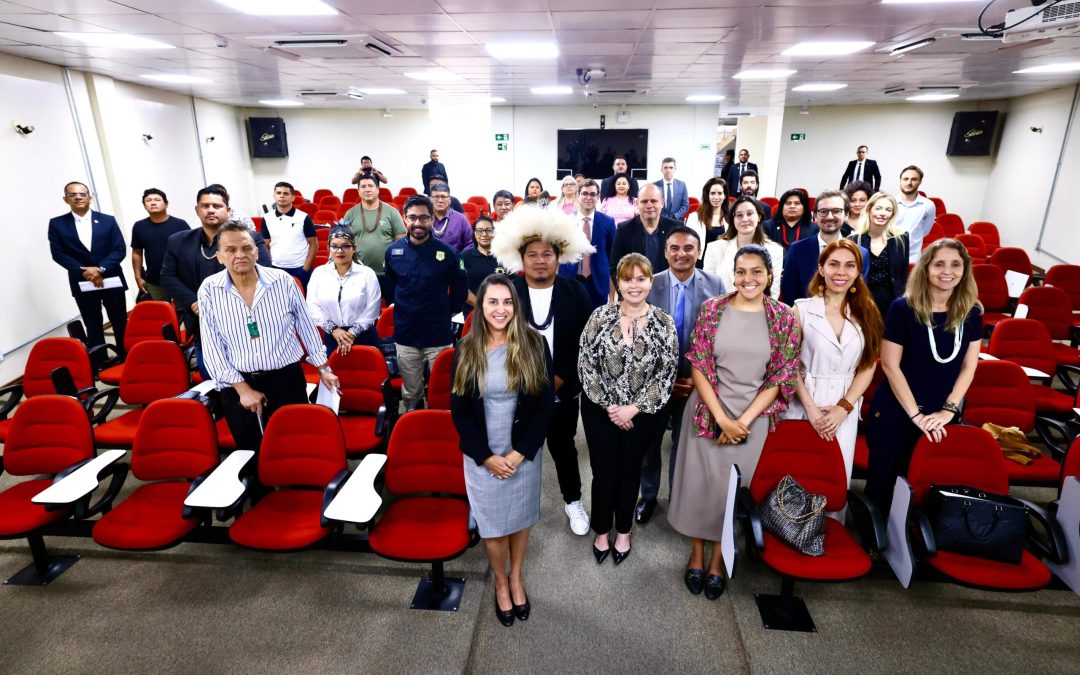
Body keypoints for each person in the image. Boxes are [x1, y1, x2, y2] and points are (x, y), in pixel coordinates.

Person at [669, 244, 798, 599]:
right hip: (707, 409)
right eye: (741, 271)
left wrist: (741, 421)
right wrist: (722, 419)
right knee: (700, 487)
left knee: (729, 493)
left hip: (752, 419)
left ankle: (718, 562)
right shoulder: (713, 309)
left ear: (770, 275)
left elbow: (781, 376)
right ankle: (697, 557)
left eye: (757, 271)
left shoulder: (784, 317)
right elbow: (698, 364)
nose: (748, 278)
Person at [450, 275, 555, 627]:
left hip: (522, 455)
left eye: (507, 302)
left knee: (521, 521)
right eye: (492, 302)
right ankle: (500, 581)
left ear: (515, 305)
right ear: (480, 307)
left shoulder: (535, 345)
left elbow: (543, 407)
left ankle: (516, 576)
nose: (500, 309)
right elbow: (460, 412)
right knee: (494, 527)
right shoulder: (465, 349)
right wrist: (486, 457)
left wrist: (519, 453)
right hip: (483, 456)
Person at [491, 206, 595, 536]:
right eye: (532, 254)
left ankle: (573, 501)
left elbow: (586, 342)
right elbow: (495, 338)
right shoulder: (508, 292)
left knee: (563, 447)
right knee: (519, 449)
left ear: (558, 257)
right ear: (521, 258)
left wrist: (559, 380)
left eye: (546, 254)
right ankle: (515, 506)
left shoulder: (575, 291)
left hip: (563, 388)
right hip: (516, 390)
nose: (539, 260)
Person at [198, 221, 340, 453]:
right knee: (251, 451)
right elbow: (212, 344)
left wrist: (324, 368)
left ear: (257, 250)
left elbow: (306, 326)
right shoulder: (209, 289)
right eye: (231, 250)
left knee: (295, 444)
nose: (240, 255)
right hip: (238, 383)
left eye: (246, 248)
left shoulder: (282, 281)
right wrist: (243, 389)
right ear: (219, 256)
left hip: (285, 380)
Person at [865, 238, 983, 511]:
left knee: (928, 484)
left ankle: (914, 544)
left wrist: (948, 410)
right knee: (883, 483)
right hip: (897, 409)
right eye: (939, 263)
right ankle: (875, 544)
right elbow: (890, 366)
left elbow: (969, 366)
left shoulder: (972, 312)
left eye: (956, 265)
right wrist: (915, 415)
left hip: (942, 412)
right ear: (926, 268)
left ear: (965, 270)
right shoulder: (902, 308)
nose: (947, 271)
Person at [579, 253, 678, 566]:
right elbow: (586, 364)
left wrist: (633, 409)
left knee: (629, 471)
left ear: (650, 282)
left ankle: (623, 531)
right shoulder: (600, 316)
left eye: (641, 278)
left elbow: (667, 372)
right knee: (603, 472)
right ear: (617, 282)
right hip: (599, 411)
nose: (634, 285)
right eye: (627, 279)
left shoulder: (664, 322)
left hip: (643, 414)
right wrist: (611, 406)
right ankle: (602, 530)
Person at [636, 227, 723, 524]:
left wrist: (696, 378)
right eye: (674, 248)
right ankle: (648, 495)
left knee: (684, 446)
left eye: (688, 248)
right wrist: (663, 380)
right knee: (649, 443)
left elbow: (719, 338)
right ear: (665, 252)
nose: (681, 253)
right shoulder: (650, 285)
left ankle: (678, 497)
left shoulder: (715, 284)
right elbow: (638, 339)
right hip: (655, 383)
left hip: (696, 383)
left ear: (698, 252)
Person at [784, 240, 883, 494]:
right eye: (834, 264)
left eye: (850, 266)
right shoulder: (801, 309)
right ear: (821, 268)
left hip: (844, 406)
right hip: (804, 402)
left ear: (858, 272)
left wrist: (843, 408)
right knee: (797, 480)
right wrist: (813, 411)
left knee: (832, 482)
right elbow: (789, 364)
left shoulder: (867, 310)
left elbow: (868, 365)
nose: (841, 272)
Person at [160, 186, 273, 367]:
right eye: (205, 206)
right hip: (202, 322)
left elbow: (264, 270)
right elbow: (168, 276)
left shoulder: (249, 239)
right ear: (197, 210)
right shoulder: (178, 241)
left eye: (217, 206)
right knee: (214, 379)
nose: (211, 210)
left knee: (253, 375)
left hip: (244, 320)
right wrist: (194, 302)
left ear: (228, 211)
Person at [384, 194, 468, 409]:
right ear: (404, 219)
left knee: (442, 390)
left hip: (438, 333)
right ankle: (415, 425)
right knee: (412, 393)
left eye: (423, 218)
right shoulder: (393, 252)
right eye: (412, 218)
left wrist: (447, 311)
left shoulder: (447, 253)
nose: (418, 223)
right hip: (406, 334)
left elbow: (459, 289)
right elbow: (392, 288)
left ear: (432, 219)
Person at [47, 181, 129, 353]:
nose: (78, 197)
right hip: (82, 281)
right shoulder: (57, 224)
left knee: (120, 321)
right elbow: (58, 253)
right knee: (92, 323)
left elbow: (119, 248)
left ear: (90, 198)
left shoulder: (108, 220)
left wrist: (100, 269)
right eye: (72, 194)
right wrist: (84, 271)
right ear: (65, 199)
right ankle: (101, 362)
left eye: (82, 194)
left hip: (111, 279)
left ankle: (126, 356)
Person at [779, 190, 870, 306]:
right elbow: (789, 294)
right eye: (823, 212)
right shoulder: (797, 249)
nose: (829, 217)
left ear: (846, 214)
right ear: (815, 216)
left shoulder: (861, 253)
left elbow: (858, 296)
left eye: (836, 211)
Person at [305, 227, 381, 358]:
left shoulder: (367, 274)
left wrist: (351, 334)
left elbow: (372, 309)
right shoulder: (319, 273)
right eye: (334, 246)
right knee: (335, 377)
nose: (340, 251)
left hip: (364, 336)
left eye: (345, 246)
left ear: (354, 248)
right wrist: (334, 330)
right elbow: (312, 306)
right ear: (329, 248)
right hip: (332, 336)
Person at [701, 196, 783, 298]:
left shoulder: (775, 251)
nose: (744, 219)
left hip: (759, 311)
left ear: (759, 217)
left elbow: (772, 293)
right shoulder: (714, 248)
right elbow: (708, 289)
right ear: (733, 220)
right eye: (739, 215)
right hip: (721, 310)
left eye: (749, 214)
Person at [342, 173, 406, 301]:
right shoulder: (350, 213)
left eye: (371, 186)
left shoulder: (391, 212)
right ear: (358, 191)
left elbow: (403, 241)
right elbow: (343, 242)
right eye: (363, 186)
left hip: (388, 273)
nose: (367, 189)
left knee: (393, 308)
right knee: (361, 311)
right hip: (359, 273)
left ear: (378, 189)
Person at [558, 179, 616, 309]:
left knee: (596, 323)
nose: (588, 197)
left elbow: (612, 255)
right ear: (578, 196)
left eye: (592, 194)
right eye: (584, 193)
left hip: (597, 283)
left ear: (598, 197)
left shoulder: (608, 222)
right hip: (571, 280)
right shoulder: (565, 221)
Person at [850, 191, 910, 317]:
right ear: (869, 210)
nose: (883, 213)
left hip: (892, 302)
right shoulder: (854, 240)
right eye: (878, 208)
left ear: (892, 214)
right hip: (862, 301)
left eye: (888, 209)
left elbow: (903, 274)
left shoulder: (901, 239)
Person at [130, 188, 189, 301]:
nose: (153, 202)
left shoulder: (180, 224)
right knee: (162, 314)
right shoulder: (139, 226)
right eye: (148, 200)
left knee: (186, 312)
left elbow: (191, 249)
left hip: (181, 278)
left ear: (166, 204)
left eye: (157, 199)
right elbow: (137, 252)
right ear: (144, 205)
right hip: (154, 280)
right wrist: (138, 276)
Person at [610, 183, 681, 277]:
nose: (649, 205)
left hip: (668, 289)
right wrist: (625, 290)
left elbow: (682, 263)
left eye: (654, 201)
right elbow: (615, 267)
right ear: (637, 204)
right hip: (635, 289)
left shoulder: (676, 228)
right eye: (644, 201)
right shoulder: (624, 229)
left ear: (662, 203)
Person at [260, 181, 317, 287]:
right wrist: (270, 268)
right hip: (276, 269)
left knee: (303, 301)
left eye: (286, 193)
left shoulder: (303, 217)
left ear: (293, 197)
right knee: (280, 301)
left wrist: (306, 268)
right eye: (278, 193)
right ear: (274, 196)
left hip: (300, 269)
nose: (281, 196)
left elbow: (314, 244)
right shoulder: (267, 218)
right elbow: (265, 245)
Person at [462, 216, 504, 315]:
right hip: (475, 311)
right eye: (480, 230)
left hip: (501, 311)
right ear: (475, 233)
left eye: (489, 230)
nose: (484, 234)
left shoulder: (504, 256)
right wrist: (483, 307)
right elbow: (462, 288)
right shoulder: (465, 256)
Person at [895, 165, 936, 264]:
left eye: (914, 179)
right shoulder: (890, 202)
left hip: (913, 259)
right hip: (890, 256)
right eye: (905, 179)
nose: (909, 182)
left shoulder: (928, 205)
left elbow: (924, 231)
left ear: (920, 181)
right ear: (900, 180)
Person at [763, 189, 817, 254]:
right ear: (781, 207)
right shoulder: (767, 226)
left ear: (804, 207)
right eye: (788, 203)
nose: (792, 206)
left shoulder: (814, 228)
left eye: (797, 203)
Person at [430, 181, 474, 253]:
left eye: (443, 197)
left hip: (455, 261)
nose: (440, 200)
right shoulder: (424, 218)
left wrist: (459, 258)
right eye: (436, 197)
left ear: (449, 200)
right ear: (431, 199)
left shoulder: (461, 219)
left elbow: (470, 243)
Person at [685, 178, 728, 248]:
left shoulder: (730, 219)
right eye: (713, 193)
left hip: (722, 258)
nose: (716, 197)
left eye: (720, 193)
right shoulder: (694, 218)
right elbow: (687, 244)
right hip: (700, 258)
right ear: (707, 195)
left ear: (725, 196)